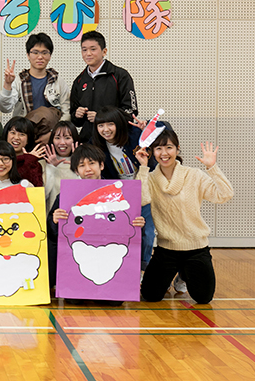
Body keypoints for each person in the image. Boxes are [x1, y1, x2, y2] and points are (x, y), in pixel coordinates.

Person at [135, 131, 233, 304]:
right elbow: (141, 199)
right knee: (150, 295)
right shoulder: (149, 178)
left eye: (169, 147)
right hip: (166, 248)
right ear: (152, 152)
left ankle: (183, 275)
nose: (164, 153)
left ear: (178, 149)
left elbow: (225, 195)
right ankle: (173, 274)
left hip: (196, 248)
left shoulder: (194, 175)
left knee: (203, 298)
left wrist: (212, 168)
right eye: (158, 148)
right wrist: (143, 167)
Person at [48, 144, 145, 290]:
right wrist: (55, 221)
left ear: (101, 165)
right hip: (76, 268)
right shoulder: (66, 197)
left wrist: (138, 224)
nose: (87, 169)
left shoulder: (120, 194)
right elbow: (53, 234)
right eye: (82, 165)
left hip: (112, 262)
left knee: (114, 301)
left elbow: (131, 233)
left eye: (92, 163)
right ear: (76, 170)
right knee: (75, 300)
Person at [91, 106, 165, 270]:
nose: (106, 130)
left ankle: (143, 267)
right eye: (101, 125)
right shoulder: (96, 145)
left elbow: (162, 131)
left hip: (143, 188)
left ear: (118, 123)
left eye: (110, 124)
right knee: (121, 230)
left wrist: (146, 128)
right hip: (117, 193)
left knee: (147, 232)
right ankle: (124, 268)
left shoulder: (134, 135)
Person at [0, 33, 70, 144]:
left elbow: (66, 113)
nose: (40, 57)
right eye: (35, 52)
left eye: (44, 52)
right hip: (23, 136)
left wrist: (53, 134)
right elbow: (5, 108)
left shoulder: (58, 81)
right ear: (28, 55)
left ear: (50, 55)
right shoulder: (19, 81)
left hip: (51, 137)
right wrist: (7, 85)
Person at [70, 31, 138, 142]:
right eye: (84, 49)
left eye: (93, 49)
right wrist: (77, 115)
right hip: (89, 141)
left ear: (104, 51)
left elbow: (131, 112)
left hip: (116, 140)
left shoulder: (120, 75)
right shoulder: (79, 81)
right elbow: (75, 120)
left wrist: (102, 119)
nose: (88, 54)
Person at [43, 121, 80, 209]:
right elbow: (42, 196)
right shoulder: (42, 164)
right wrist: (50, 167)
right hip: (52, 218)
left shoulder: (84, 164)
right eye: (57, 138)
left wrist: (79, 168)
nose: (62, 142)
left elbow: (86, 192)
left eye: (67, 138)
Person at [2, 116, 45, 187]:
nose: (16, 138)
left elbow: (37, 189)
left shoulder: (33, 162)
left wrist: (29, 161)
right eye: (12, 133)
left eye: (22, 134)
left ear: (28, 139)